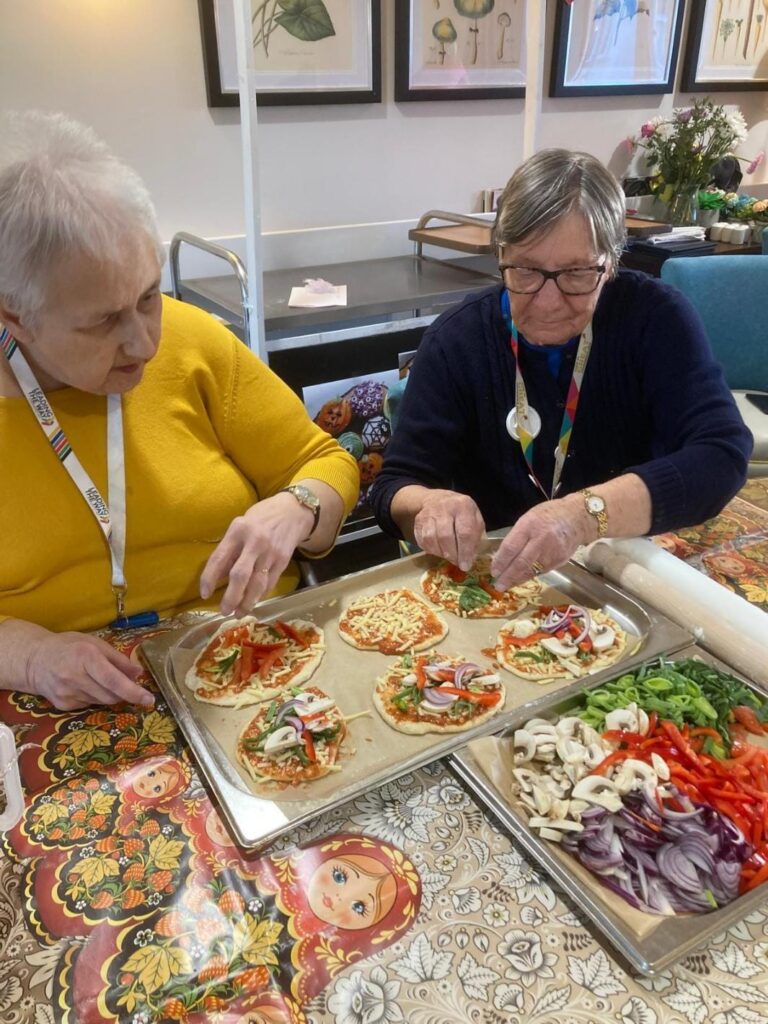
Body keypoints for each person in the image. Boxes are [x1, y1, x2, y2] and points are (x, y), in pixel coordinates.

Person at [0, 112, 359, 711]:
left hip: (255, 656)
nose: (144, 342)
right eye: (102, 322)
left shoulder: (194, 339)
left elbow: (325, 462)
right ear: (15, 318)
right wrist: (33, 655)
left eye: (147, 297)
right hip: (70, 700)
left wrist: (296, 507)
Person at [371, 148, 752, 585]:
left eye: (576, 273)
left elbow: (721, 454)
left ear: (610, 263)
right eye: (526, 271)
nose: (548, 302)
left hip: (624, 567)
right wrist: (428, 505)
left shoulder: (655, 319)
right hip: (499, 581)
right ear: (501, 256)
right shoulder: (457, 341)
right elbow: (394, 486)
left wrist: (584, 514)